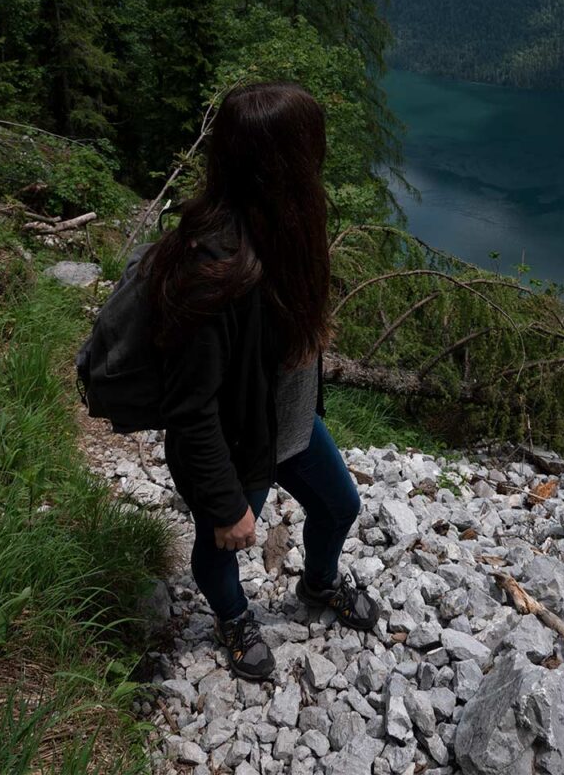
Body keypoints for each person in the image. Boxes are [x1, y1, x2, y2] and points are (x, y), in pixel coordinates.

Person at [137, 80, 379, 681]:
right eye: (310, 146)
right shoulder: (214, 266)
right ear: (282, 162)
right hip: (236, 442)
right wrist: (225, 505)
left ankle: (319, 584)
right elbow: (190, 408)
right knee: (222, 545)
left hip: (290, 426)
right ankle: (233, 617)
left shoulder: (287, 222)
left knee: (340, 505)